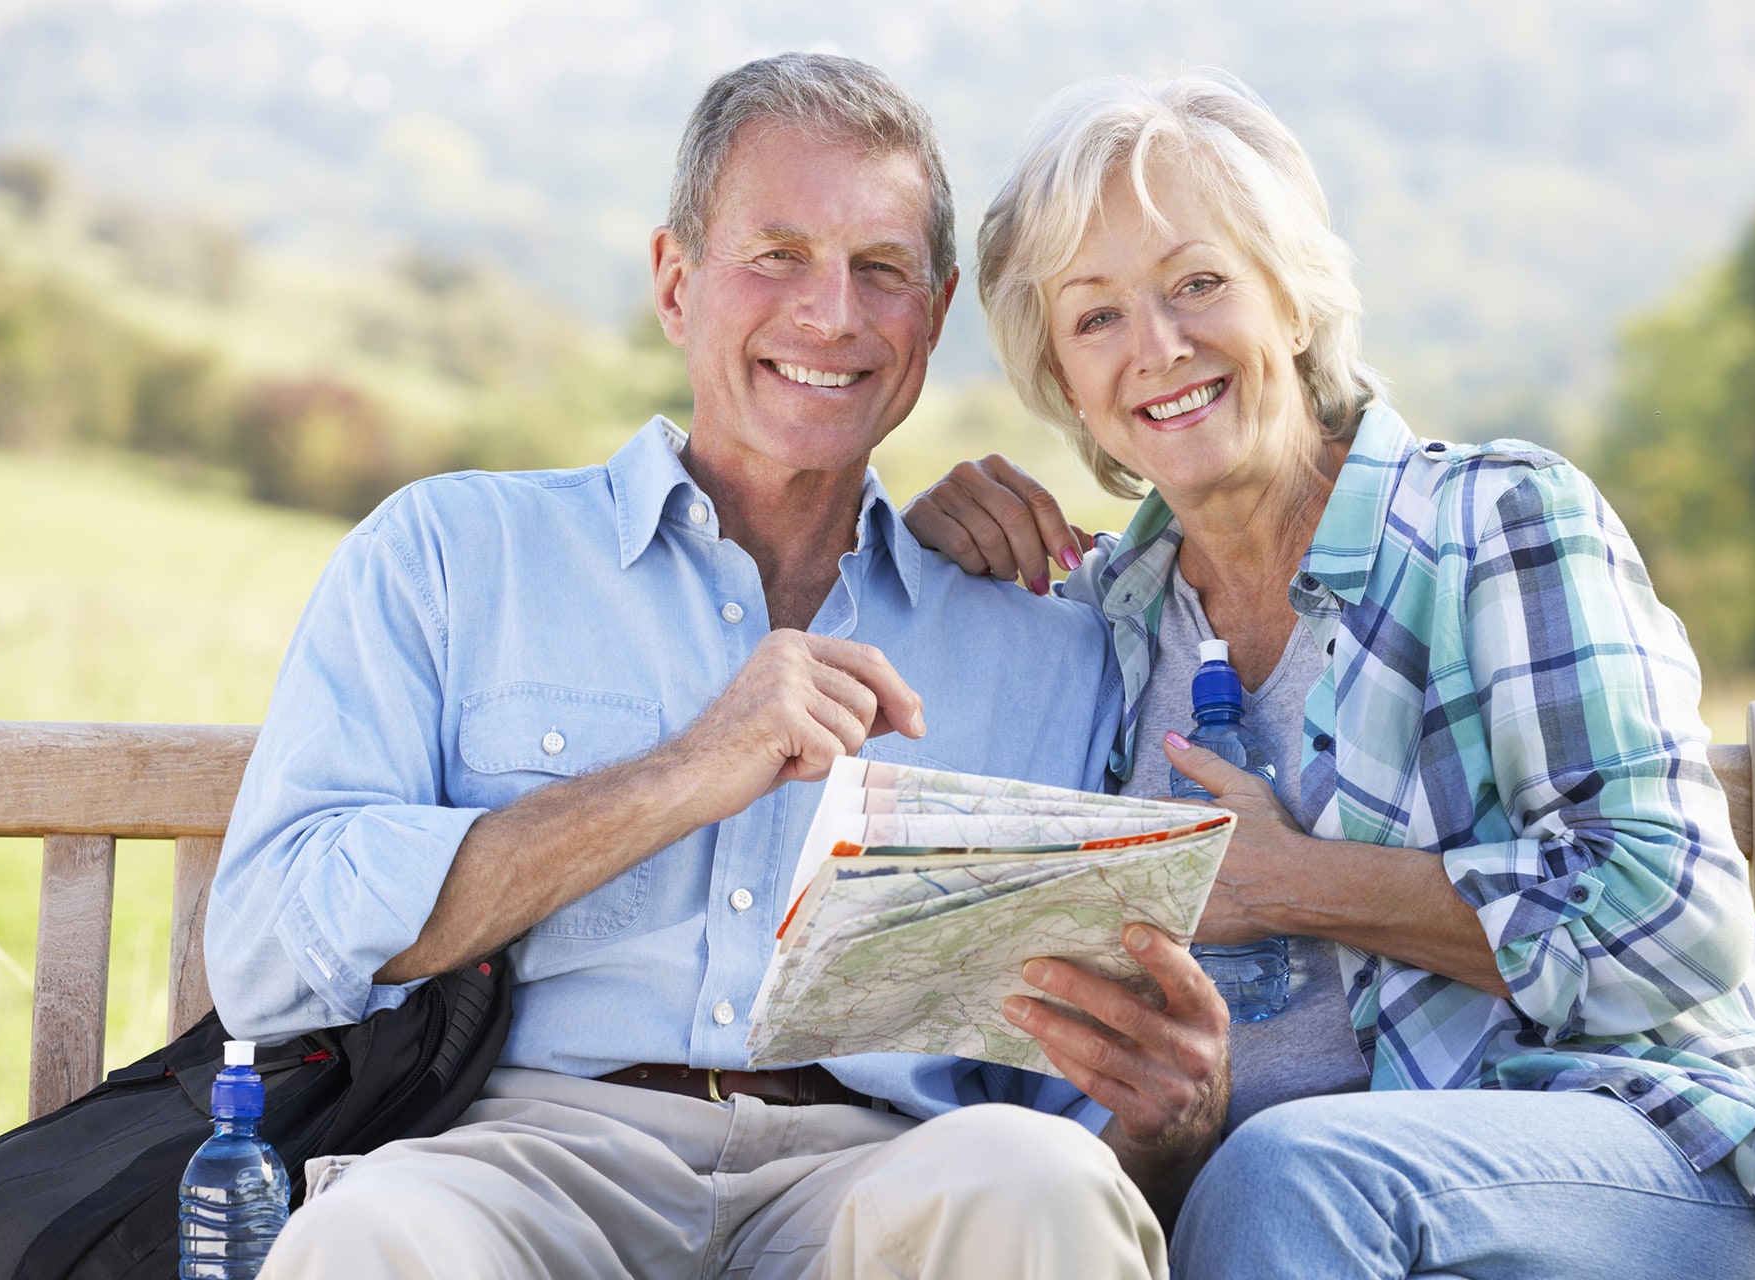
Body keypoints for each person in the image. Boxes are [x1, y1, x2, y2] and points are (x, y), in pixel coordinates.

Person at [205, 54, 1230, 1280]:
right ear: (676, 282)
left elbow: (1065, 1106)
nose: (833, 314)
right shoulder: (449, 554)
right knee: (373, 1237)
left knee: (1038, 1179)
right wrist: (691, 767)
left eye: (881, 270)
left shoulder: (1047, 640)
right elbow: (268, 954)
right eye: (778, 254)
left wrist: (1166, 1126)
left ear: (935, 314)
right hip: (523, 1158)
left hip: (878, 1172)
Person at [902, 72, 1755, 1277]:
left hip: (1639, 1159)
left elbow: (1674, 923)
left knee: (1293, 1167)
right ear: (1064, 380)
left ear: (1290, 298)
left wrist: (1292, 879)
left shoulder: (1500, 520)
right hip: (1278, 1220)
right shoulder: (1099, 627)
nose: (1160, 346)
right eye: (1096, 319)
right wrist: (923, 564)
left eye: (1199, 283)